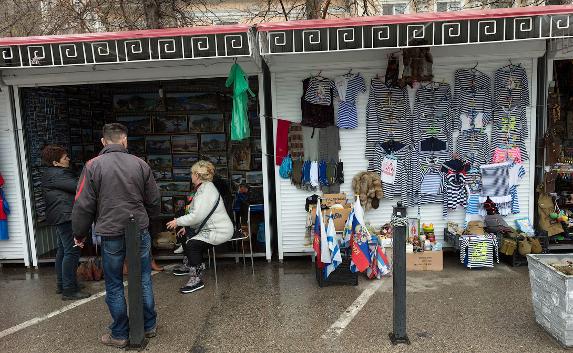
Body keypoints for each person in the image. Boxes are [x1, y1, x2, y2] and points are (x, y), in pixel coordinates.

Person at [72, 123, 161, 349]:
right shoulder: (141, 164)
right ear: (125, 140)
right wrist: (150, 226)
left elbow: (83, 204)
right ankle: (149, 326)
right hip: (138, 228)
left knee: (113, 283)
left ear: (103, 142)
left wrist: (79, 234)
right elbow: (154, 201)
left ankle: (120, 333)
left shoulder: (93, 166)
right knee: (142, 278)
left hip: (110, 231)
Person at [166, 160, 233, 294]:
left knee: (192, 244)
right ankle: (190, 265)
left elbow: (197, 215)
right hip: (210, 228)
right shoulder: (203, 187)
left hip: (219, 230)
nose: (191, 176)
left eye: (192, 173)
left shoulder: (206, 190)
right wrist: (187, 226)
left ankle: (196, 279)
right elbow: (200, 214)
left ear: (197, 175)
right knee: (184, 235)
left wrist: (178, 221)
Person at [41, 145, 90, 301]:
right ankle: (69, 289)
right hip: (66, 216)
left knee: (63, 251)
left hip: (60, 215)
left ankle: (63, 284)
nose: (68, 158)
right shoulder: (59, 174)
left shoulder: (52, 173)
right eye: (64, 157)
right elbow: (79, 187)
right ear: (56, 163)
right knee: (72, 251)